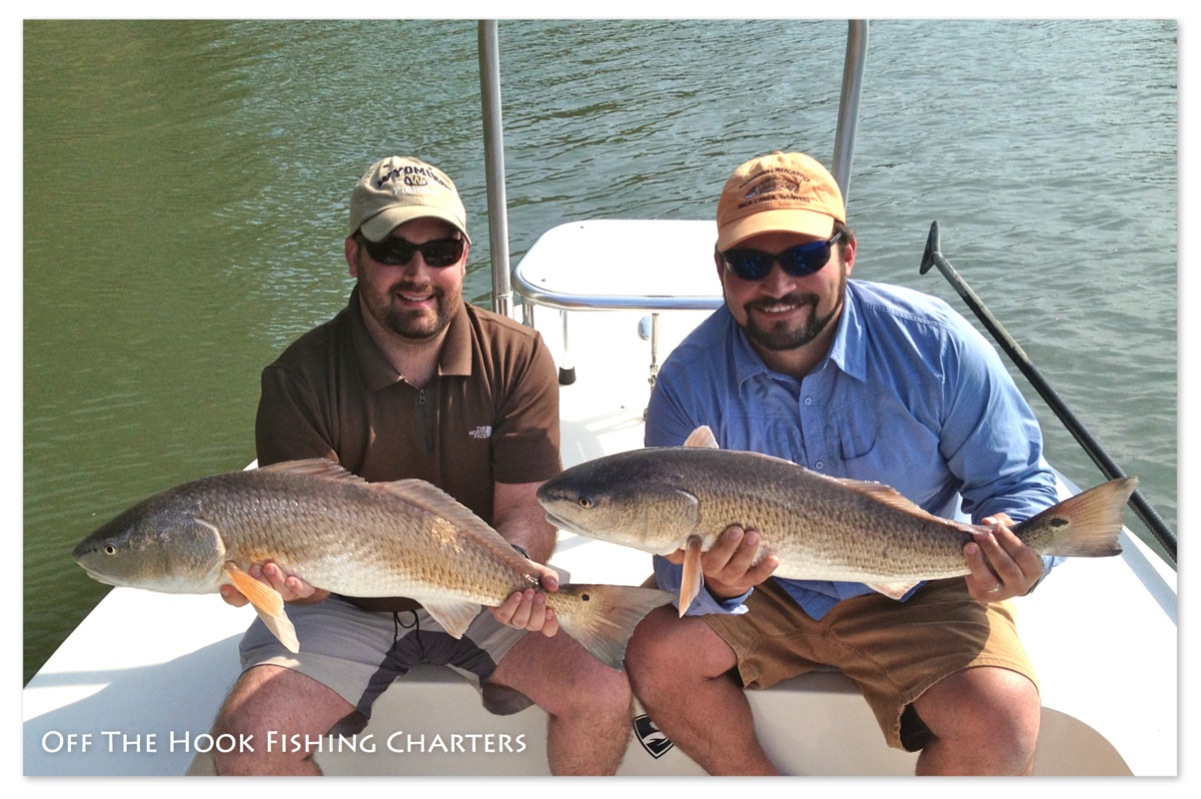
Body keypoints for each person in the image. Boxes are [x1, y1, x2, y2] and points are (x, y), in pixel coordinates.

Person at [624, 150, 1061, 775]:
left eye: (804, 258)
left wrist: (1022, 555)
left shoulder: (935, 345)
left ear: (847, 253)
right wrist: (719, 585)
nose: (778, 286)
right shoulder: (686, 383)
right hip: (766, 592)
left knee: (1001, 720)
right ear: (721, 270)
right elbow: (675, 569)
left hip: (919, 586)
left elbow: (1017, 484)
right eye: (751, 264)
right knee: (656, 657)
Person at [208, 155, 632, 775]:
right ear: (354, 256)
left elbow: (525, 507)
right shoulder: (297, 381)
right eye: (392, 250)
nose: (418, 274)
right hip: (346, 606)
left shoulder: (517, 357)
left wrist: (516, 575)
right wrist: (295, 585)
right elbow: (305, 567)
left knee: (603, 693)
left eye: (439, 250)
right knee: (248, 744)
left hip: (484, 594)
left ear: (464, 257)